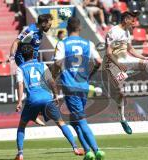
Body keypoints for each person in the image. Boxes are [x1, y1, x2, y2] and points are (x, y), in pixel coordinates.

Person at [14, 44, 84, 160]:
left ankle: (20, 153)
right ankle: (75, 147)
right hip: (47, 98)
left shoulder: (20, 68)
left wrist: (19, 101)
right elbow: (51, 81)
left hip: (33, 100)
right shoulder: (42, 65)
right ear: (34, 54)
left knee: (22, 126)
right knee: (61, 123)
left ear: (22, 55)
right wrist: (56, 95)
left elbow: (20, 84)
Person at [54, 17, 105, 160]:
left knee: (81, 120)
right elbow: (99, 61)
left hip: (70, 86)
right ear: (80, 28)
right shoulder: (88, 43)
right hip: (83, 86)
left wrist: (58, 73)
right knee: (74, 120)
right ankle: (87, 152)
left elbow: (57, 62)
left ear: (67, 28)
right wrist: (90, 74)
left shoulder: (62, 44)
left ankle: (97, 150)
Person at [10, 14, 53, 126]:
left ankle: (35, 113)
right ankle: (34, 113)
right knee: (33, 84)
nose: (50, 26)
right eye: (49, 24)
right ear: (43, 23)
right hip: (23, 59)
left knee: (37, 85)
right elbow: (15, 42)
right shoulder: (30, 30)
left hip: (32, 60)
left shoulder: (40, 32)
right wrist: (11, 56)